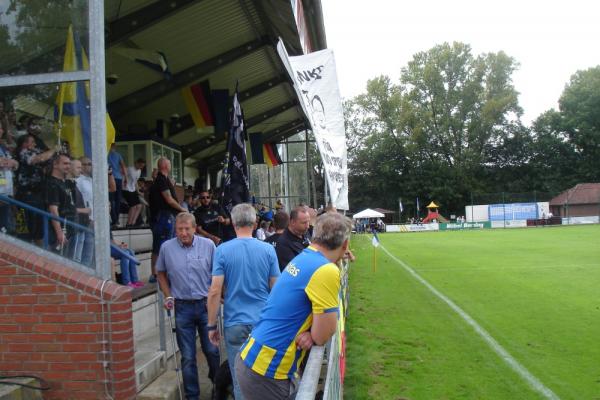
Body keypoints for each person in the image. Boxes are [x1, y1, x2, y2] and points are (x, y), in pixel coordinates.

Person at [235, 212, 351, 400]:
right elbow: (324, 333)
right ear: (345, 245)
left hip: (254, 359)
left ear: (315, 236)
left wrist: (311, 330)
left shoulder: (305, 256)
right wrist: (314, 333)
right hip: (267, 370)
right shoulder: (326, 270)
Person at [206, 203, 280, 400]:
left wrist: (211, 325)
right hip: (263, 323)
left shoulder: (222, 250)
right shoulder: (267, 250)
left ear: (233, 223)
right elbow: (277, 289)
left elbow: (214, 291)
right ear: (255, 223)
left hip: (235, 323)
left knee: (239, 380)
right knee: (264, 377)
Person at [156, 212, 220, 400]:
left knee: (212, 351)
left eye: (186, 229)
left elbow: (217, 273)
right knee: (188, 356)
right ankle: (192, 396)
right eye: (179, 229)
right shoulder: (167, 248)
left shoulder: (208, 245)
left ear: (194, 228)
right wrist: (168, 295)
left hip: (206, 306)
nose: (183, 233)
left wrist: (217, 293)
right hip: (182, 307)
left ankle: (218, 388)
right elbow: (160, 272)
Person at [148, 157, 187, 283]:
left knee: (160, 246)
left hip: (163, 217)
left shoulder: (163, 180)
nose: (170, 166)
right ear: (165, 165)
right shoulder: (161, 180)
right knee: (163, 246)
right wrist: (182, 209)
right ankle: (159, 274)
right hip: (163, 218)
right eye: (169, 164)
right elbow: (168, 199)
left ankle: (157, 273)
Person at [14, 135, 59, 242]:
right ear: (24, 144)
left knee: (39, 231)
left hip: (38, 196)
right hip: (24, 196)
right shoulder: (23, 152)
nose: (35, 144)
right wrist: (54, 149)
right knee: (24, 231)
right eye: (32, 142)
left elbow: (47, 161)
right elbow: (38, 159)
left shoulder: (37, 152)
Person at [46, 154, 76, 255]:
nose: (68, 166)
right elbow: (53, 210)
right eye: (65, 163)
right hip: (60, 230)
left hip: (70, 228)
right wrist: (59, 232)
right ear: (55, 164)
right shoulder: (51, 184)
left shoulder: (66, 182)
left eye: (69, 164)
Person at [67, 159, 92, 264]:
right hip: (74, 225)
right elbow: (67, 206)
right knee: (75, 258)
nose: (80, 170)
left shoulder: (74, 184)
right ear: (70, 168)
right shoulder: (70, 184)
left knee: (81, 257)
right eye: (78, 167)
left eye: (81, 167)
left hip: (82, 223)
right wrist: (85, 210)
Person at [274, 206, 310, 271]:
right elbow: (292, 269)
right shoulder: (283, 242)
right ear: (293, 222)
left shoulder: (305, 233)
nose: (307, 226)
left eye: (308, 222)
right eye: (304, 223)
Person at [75, 157, 95, 266]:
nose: (89, 166)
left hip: (94, 219)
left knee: (91, 253)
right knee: (84, 252)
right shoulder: (78, 181)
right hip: (85, 219)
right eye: (86, 164)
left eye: (90, 164)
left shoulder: (92, 180)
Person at [0, 124, 18, 232]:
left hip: (6, 192)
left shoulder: (2, 147)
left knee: (4, 228)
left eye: (2, 128)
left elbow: (15, 163)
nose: (1, 130)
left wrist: (13, 163)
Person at [107, 143, 127, 227]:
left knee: (111, 200)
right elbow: (123, 166)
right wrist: (126, 178)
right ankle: (117, 220)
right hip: (118, 178)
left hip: (109, 178)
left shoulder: (106, 154)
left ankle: (113, 219)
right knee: (118, 199)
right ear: (115, 147)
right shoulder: (118, 155)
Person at [123, 158, 145, 227]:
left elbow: (135, 182)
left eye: (142, 166)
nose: (141, 167)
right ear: (136, 163)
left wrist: (138, 191)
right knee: (133, 206)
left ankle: (133, 222)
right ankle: (128, 223)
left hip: (132, 189)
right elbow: (123, 176)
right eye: (140, 165)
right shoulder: (130, 169)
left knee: (139, 206)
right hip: (126, 189)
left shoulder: (139, 171)